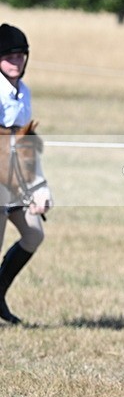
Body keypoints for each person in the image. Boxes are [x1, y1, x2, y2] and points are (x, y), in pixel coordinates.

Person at [0, 23, 52, 324]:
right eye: (9, 56)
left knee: (33, 234)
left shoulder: (23, 92)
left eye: (21, 56)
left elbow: (26, 143)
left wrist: (39, 186)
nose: (16, 61)